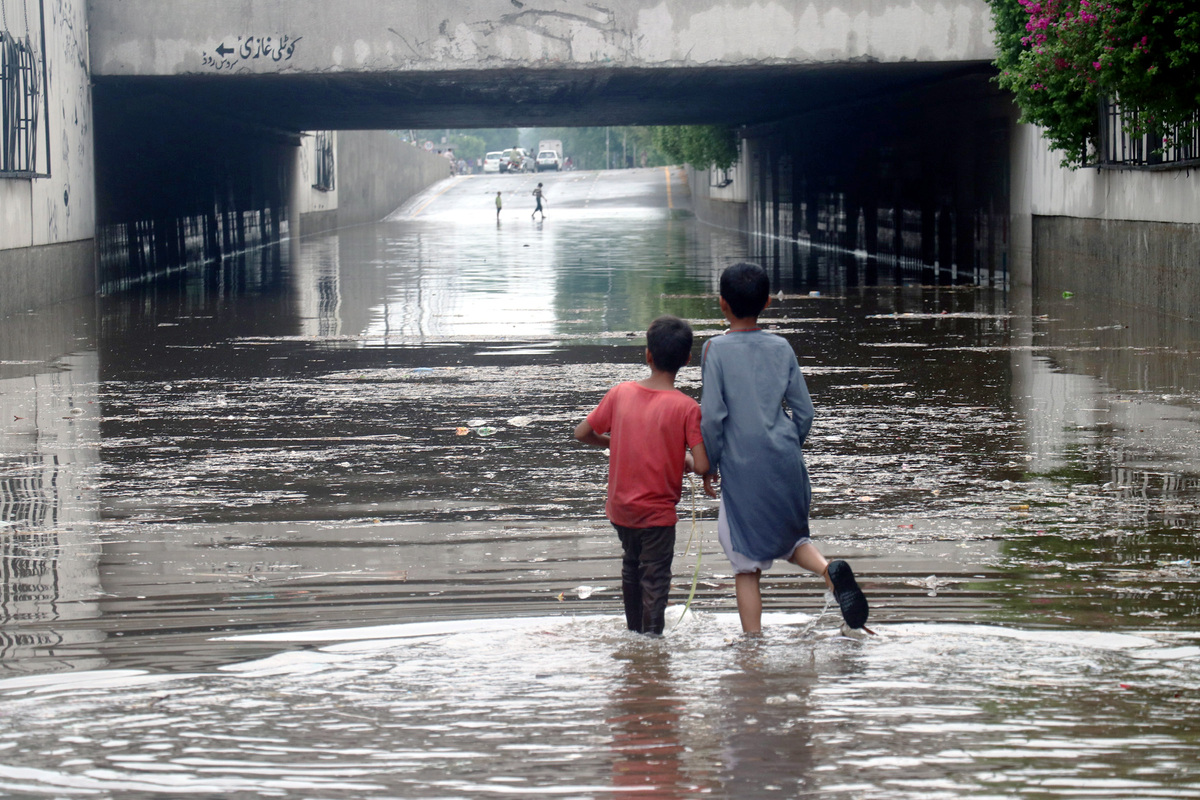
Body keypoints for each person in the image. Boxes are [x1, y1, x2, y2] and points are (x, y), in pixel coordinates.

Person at [700, 262, 868, 635]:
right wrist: (787, 445)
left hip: (742, 466)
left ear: (722, 303)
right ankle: (830, 572)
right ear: (768, 302)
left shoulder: (715, 350)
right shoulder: (781, 347)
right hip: (785, 457)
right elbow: (804, 411)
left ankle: (752, 646)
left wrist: (708, 463)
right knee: (792, 539)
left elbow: (712, 417)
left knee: (746, 564)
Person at [575, 316, 710, 636]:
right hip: (657, 515)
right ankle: (651, 641)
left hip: (621, 510)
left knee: (631, 567)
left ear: (647, 355)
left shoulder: (620, 393)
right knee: (656, 577)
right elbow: (703, 465)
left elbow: (582, 433)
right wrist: (686, 459)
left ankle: (634, 634)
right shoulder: (686, 407)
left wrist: (616, 441)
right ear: (687, 361)